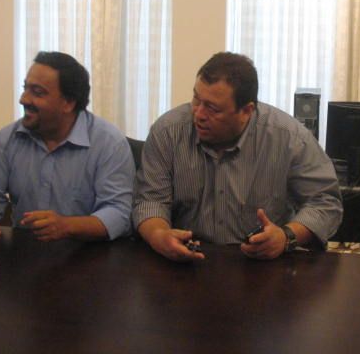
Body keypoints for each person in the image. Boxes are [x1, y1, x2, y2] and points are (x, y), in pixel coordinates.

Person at [132, 52, 343, 262]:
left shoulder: (290, 139)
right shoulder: (167, 132)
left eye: (213, 108)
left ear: (246, 111)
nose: (199, 114)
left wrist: (286, 236)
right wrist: (159, 235)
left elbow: (325, 202)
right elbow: (150, 200)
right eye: (196, 98)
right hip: (186, 259)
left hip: (262, 263)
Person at [0, 51, 135, 248]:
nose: (23, 99)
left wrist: (67, 226)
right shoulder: (8, 139)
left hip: (91, 254)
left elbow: (119, 214)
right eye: (25, 88)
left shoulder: (109, 143)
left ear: (68, 103)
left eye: (37, 92)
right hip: (24, 254)